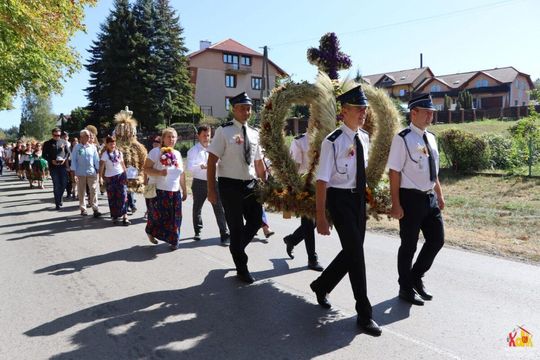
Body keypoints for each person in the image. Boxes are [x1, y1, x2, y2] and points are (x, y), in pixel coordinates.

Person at [310, 85, 382, 336]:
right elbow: (322, 181)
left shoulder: (364, 137)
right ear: (344, 111)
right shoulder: (333, 142)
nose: (363, 113)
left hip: (357, 200)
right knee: (357, 255)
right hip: (339, 201)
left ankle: (322, 285)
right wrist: (320, 216)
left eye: (364, 109)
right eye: (358, 109)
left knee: (353, 252)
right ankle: (365, 313)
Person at [387, 94, 445, 306]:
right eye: (427, 112)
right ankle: (405, 287)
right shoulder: (402, 138)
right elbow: (394, 172)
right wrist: (396, 203)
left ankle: (415, 277)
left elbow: (433, 171)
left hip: (429, 197)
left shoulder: (431, 138)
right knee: (409, 245)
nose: (431, 115)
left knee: (437, 240)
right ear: (414, 113)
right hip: (410, 199)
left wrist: (439, 193)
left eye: (432, 112)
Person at [207, 92, 266, 284]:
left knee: (257, 220)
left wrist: (266, 185)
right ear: (234, 109)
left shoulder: (255, 133)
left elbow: (258, 163)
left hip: (251, 184)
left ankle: (236, 248)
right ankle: (242, 267)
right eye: (242, 108)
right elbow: (212, 161)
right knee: (236, 227)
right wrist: (211, 190)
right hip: (229, 185)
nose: (246, 111)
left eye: (248, 108)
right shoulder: (223, 131)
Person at [283, 133, 324, 271]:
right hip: (304, 186)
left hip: (324, 186)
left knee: (318, 221)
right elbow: (294, 168)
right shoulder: (300, 141)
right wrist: (290, 190)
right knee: (308, 222)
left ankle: (292, 240)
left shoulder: (329, 138)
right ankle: (312, 259)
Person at [143, 128, 187, 250]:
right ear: (163, 139)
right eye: (169, 136)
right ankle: (150, 231)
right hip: (158, 190)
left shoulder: (177, 154)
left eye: (173, 137)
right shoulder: (155, 152)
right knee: (158, 217)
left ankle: (174, 240)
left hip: (174, 191)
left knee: (176, 217)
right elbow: (146, 169)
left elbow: (181, 174)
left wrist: (184, 189)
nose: (171, 139)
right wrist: (159, 173)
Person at [187, 125, 230, 245]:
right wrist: (201, 166)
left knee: (219, 208)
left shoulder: (215, 149)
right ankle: (198, 231)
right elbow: (190, 168)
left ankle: (224, 234)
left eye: (209, 135)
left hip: (214, 181)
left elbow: (223, 163)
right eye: (204, 135)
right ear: (198, 136)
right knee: (197, 207)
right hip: (199, 182)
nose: (207, 138)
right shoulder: (193, 150)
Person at [99, 136, 129, 225]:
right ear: (107, 144)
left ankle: (125, 216)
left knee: (123, 196)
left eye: (114, 143)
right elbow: (101, 167)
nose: (113, 145)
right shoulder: (105, 154)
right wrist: (100, 177)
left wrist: (126, 175)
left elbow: (123, 164)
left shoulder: (119, 153)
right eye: (110, 143)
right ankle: (115, 216)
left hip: (120, 176)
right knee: (113, 197)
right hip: (110, 178)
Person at [71, 129, 101, 217]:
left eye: (89, 136)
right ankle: (83, 209)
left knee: (93, 190)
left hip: (91, 172)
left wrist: (98, 170)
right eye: (87, 136)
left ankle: (95, 208)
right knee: (81, 191)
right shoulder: (77, 147)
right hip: (80, 173)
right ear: (82, 137)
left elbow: (96, 159)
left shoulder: (92, 147)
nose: (89, 137)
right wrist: (74, 173)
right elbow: (74, 161)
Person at [43, 128, 69, 209]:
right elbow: (44, 155)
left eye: (58, 135)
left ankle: (60, 197)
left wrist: (64, 159)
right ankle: (57, 203)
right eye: (55, 135)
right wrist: (51, 161)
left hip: (62, 166)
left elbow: (68, 153)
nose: (57, 137)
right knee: (56, 184)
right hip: (53, 167)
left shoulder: (64, 142)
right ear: (52, 135)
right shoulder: (47, 143)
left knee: (64, 183)